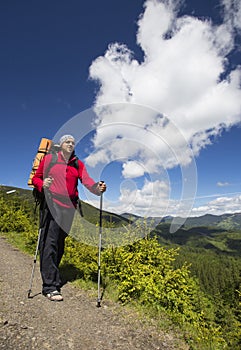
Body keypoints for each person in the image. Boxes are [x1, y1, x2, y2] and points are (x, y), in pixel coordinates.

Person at [32, 134, 106, 301]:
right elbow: (37, 177)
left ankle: (51, 272)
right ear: (61, 144)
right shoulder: (50, 159)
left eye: (73, 142)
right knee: (50, 241)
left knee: (59, 242)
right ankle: (50, 286)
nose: (71, 144)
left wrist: (98, 188)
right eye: (68, 142)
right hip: (52, 204)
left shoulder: (77, 164)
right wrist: (42, 184)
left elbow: (87, 182)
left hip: (70, 207)